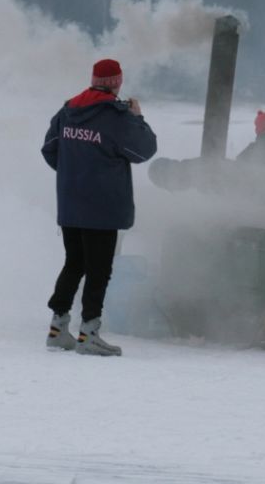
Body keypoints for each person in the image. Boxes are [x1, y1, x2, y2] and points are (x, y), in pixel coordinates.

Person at [41, 59, 157, 356]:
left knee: (74, 262)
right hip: (103, 208)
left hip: (70, 204)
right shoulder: (116, 117)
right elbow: (144, 149)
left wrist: (74, 173)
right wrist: (138, 118)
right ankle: (89, 333)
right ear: (117, 83)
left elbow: (50, 149)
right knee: (99, 270)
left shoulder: (68, 110)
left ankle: (57, 328)